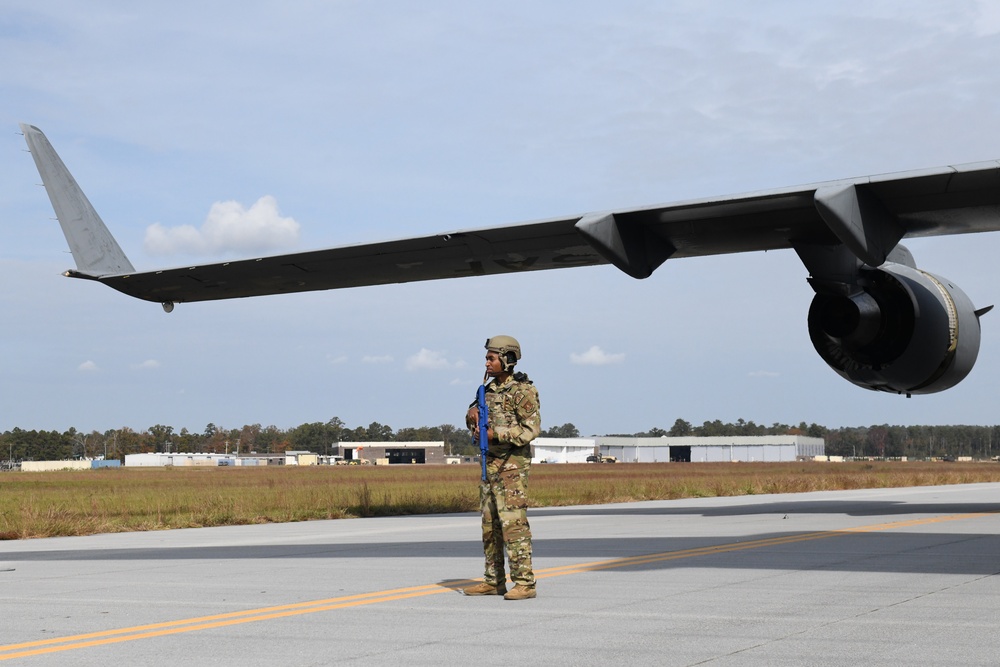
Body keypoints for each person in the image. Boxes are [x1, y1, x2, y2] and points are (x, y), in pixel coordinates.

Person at [463, 335, 541, 601]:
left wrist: (496, 434)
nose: (487, 363)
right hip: (489, 466)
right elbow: (476, 418)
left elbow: (530, 430)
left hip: (511, 468)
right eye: (486, 357)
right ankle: (493, 581)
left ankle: (525, 583)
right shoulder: (486, 391)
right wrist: (471, 417)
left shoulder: (522, 391)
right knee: (490, 526)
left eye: (491, 358)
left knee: (513, 526)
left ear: (507, 360)